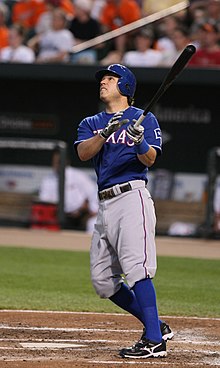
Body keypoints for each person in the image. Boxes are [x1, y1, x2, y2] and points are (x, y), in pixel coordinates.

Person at [74, 64, 173, 359]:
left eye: (110, 78)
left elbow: (150, 159)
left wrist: (139, 139)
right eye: (103, 78)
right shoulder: (91, 122)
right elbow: (83, 153)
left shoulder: (145, 117)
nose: (103, 82)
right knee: (103, 281)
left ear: (125, 86)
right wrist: (106, 132)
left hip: (132, 198)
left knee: (137, 268)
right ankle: (155, 325)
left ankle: (155, 340)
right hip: (104, 204)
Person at [38, 148, 98, 233]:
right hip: (59, 215)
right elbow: (45, 200)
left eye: (59, 162)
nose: (56, 165)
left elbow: (92, 193)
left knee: (93, 223)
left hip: (80, 214)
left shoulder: (78, 175)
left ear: (66, 162)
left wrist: (92, 208)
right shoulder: (48, 180)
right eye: (55, 162)